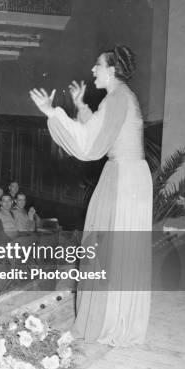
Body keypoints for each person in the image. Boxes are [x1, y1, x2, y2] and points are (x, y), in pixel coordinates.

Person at [29, 45, 151, 346]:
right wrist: (81, 106)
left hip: (123, 180)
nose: (93, 70)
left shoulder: (118, 99)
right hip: (126, 177)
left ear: (112, 69)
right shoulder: (120, 97)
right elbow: (101, 132)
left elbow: (89, 146)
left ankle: (97, 324)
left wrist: (53, 113)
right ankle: (105, 319)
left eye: (98, 65)